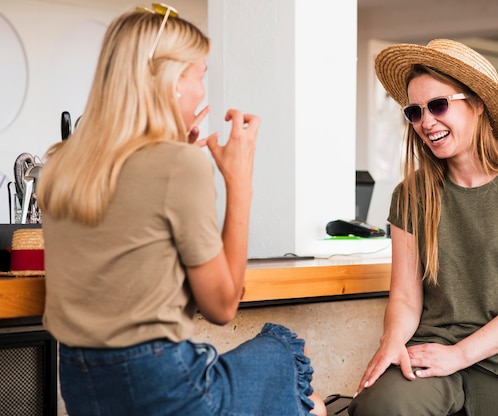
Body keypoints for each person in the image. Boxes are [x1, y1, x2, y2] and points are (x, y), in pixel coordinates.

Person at [37, 4, 326, 416]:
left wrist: (177, 163)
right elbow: (223, 307)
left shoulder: (62, 163)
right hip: (164, 386)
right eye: (199, 76)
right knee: (295, 374)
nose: (201, 94)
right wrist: (238, 180)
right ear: (173, 81)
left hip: (82, 384)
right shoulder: (177, 165)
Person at [348, 39, 498, 416]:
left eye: (439, 105)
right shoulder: (410, 195)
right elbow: (407, 298)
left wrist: (459, 355)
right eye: (414, 111)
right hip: (432, 349)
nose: (426, 122)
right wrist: (392, 341)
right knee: (379, 406)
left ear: (477, 104)